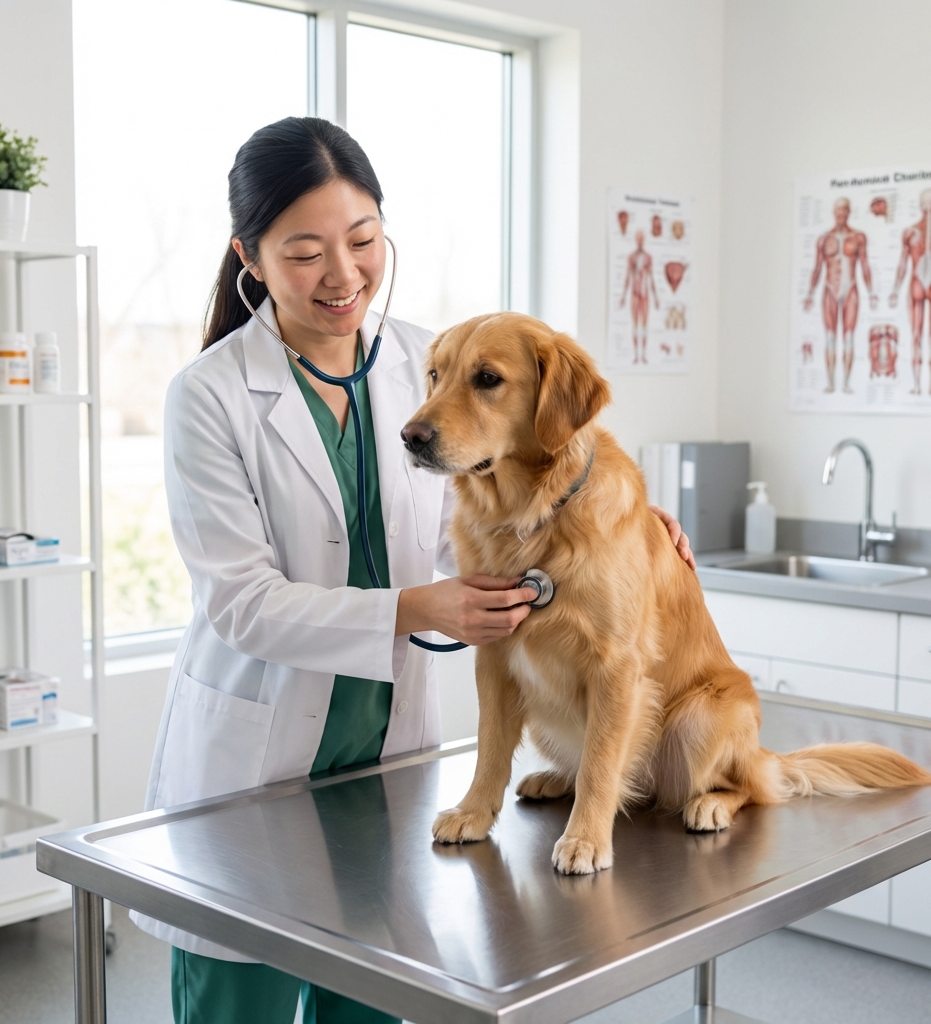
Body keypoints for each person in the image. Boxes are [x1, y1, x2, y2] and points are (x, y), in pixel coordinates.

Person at [132, 116, 695, 1024]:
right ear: (251, 255)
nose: (344, 275)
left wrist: (614, 521)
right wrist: (417, 607)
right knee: (244, 1004)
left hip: (384, 761)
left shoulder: (426, 363)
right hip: (255, 761)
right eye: (306, 251)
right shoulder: (208, 395)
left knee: (375, 1001)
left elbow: (472, 524)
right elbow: (240, 604)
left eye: (362, 241)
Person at [803, 197, 877, 394]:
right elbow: (817, 268)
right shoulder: (824, 239)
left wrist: (871, 293)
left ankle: (845, 382)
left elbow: (864, 265)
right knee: (829, 336)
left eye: (844, 211)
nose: (841, 215)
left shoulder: (858, 237)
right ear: (833, 213)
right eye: (838, 211)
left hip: (851, 288)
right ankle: (830, 382)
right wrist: (810, 293)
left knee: (849, 336)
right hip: (829, 289)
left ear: (849, 212)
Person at [888, 188, 931, 394]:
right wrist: (895, 289)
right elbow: (902, 264)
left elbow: (903, 264)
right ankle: (919, 385)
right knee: (920, 334)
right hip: (918, 281)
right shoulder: (910, 233)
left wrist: (896, 289)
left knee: (918, 335)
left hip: (917, 280)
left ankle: (918, 385)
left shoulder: (911, 232)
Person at [619, 229, 659, 364]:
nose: (640, 241)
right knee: (635, 324)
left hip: (645, 295)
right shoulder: (631, 258)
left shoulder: (648, 258)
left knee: (644, 324)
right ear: (636, 240)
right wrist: (623, 296)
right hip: (635, 294)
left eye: (642, 238)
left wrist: (656, 297)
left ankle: (644, 355)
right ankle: (636, 355)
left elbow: (651, 277)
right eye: (638, 238)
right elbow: (628, 277)